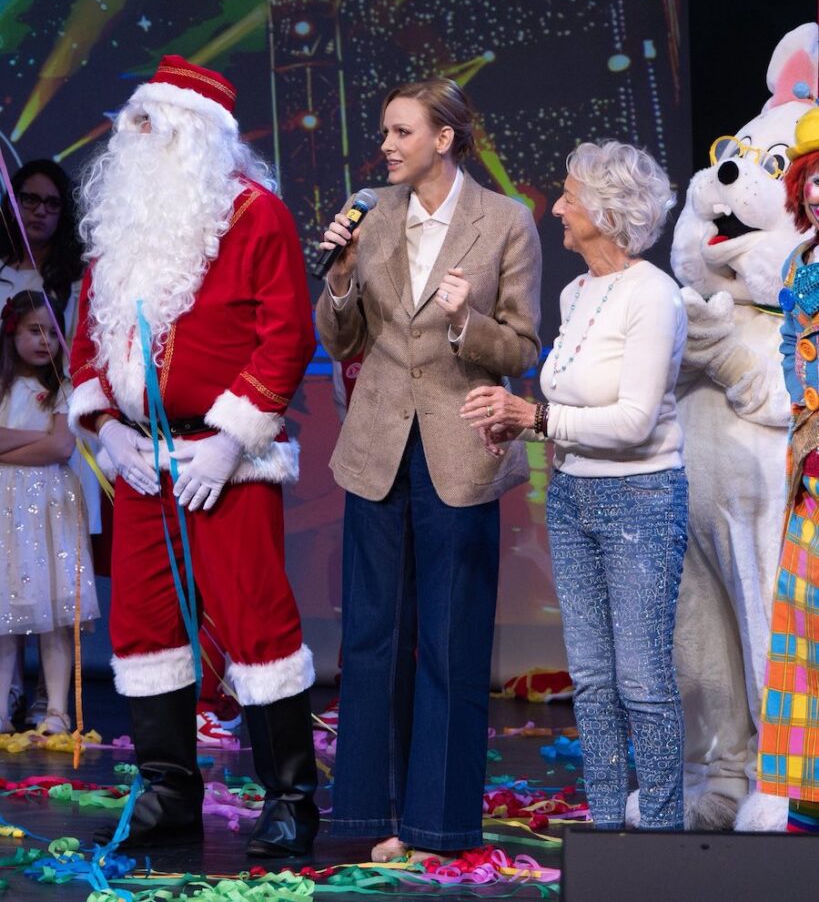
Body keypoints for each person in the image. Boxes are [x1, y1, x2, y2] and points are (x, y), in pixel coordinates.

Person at [68, 55, 319, 856]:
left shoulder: (254, 215)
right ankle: (168, 792)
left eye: (151, 122)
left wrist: (230, 440)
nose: (133, 134)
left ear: (195, 134)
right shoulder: (118, 232)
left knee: (253, 614)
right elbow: (85, 349)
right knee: (143, 623)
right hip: (142, 462)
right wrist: (108, 431)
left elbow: (287, 335)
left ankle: (290, 798)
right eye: (131, 122)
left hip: (226, 461)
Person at [315, 77, 541, 860]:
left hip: (459, 447)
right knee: (370, 636)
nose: (386, 145)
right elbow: (342, 340)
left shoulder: (504, 221)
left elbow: (519, 347)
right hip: (377, 447)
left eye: (401, 131)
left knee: (450, 639)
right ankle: (366, 816)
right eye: (384, 131)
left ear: (443, 139)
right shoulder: (370, 213)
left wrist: (462, 320)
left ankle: (437, 826)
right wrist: (340, 276)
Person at [461, 140, 688, 830]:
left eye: (567, 195)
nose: (556, 207)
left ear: (608, 209)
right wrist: (519, 429)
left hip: (640, 501)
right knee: (590, 681)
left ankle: (660, 837)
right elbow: (569, 409)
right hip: (571, 498)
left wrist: (532, 417)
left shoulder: (653, 295)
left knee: (642, 681)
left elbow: (633, 421)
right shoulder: (576, 291)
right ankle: (606, 829)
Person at [757, 106, 819, 832]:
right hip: (807, 462)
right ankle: (807, 790)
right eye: (812, 178)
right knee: (801, 621)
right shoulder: (797, 262)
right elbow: (789, 348)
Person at [0, 290, 99, 734]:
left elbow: (60, 447)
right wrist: (35, 439)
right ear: (11, 333)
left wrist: (11, 442)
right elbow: (47, 442)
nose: (45, 341)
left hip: (49, 504)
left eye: (52, 332)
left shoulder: (65, 386)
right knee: (5, 609)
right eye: (33, 330)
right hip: (5, 505)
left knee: (55, 613)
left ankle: (57, 710)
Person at [0, 160, 84, 337]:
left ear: (63, 214)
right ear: (12, 206)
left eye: (52, 204)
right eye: (31, 199)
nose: (40, 211)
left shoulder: (77, 280)